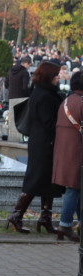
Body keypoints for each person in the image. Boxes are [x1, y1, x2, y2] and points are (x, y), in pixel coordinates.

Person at [6, 60, 64, 234]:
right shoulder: (45, 95)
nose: (58, 77)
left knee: (48, 181)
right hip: (44, 144)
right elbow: (49, 122)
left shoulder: (42, 92)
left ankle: (45, 218)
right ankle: (17, 214)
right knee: (36, 180)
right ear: (49, 76)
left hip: (44, 142)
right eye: (56, 74)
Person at [52, 69, 83, 242]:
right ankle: (65, 224)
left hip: (64, 152)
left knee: (77, 189)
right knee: (73, 189)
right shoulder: (81, 102)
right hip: (77, 152)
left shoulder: (66, 101)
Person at [7, 55, 32, 141]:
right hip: (21, 98)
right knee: (20, 119)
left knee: (12, 118)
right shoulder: (24, 73)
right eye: (30, 65)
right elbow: (25, 87)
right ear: (26, 63)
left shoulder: (11, 70)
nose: (29, 67)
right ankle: (19, 139)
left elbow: (6, 84)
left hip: (11, 96)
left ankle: (11, 138)